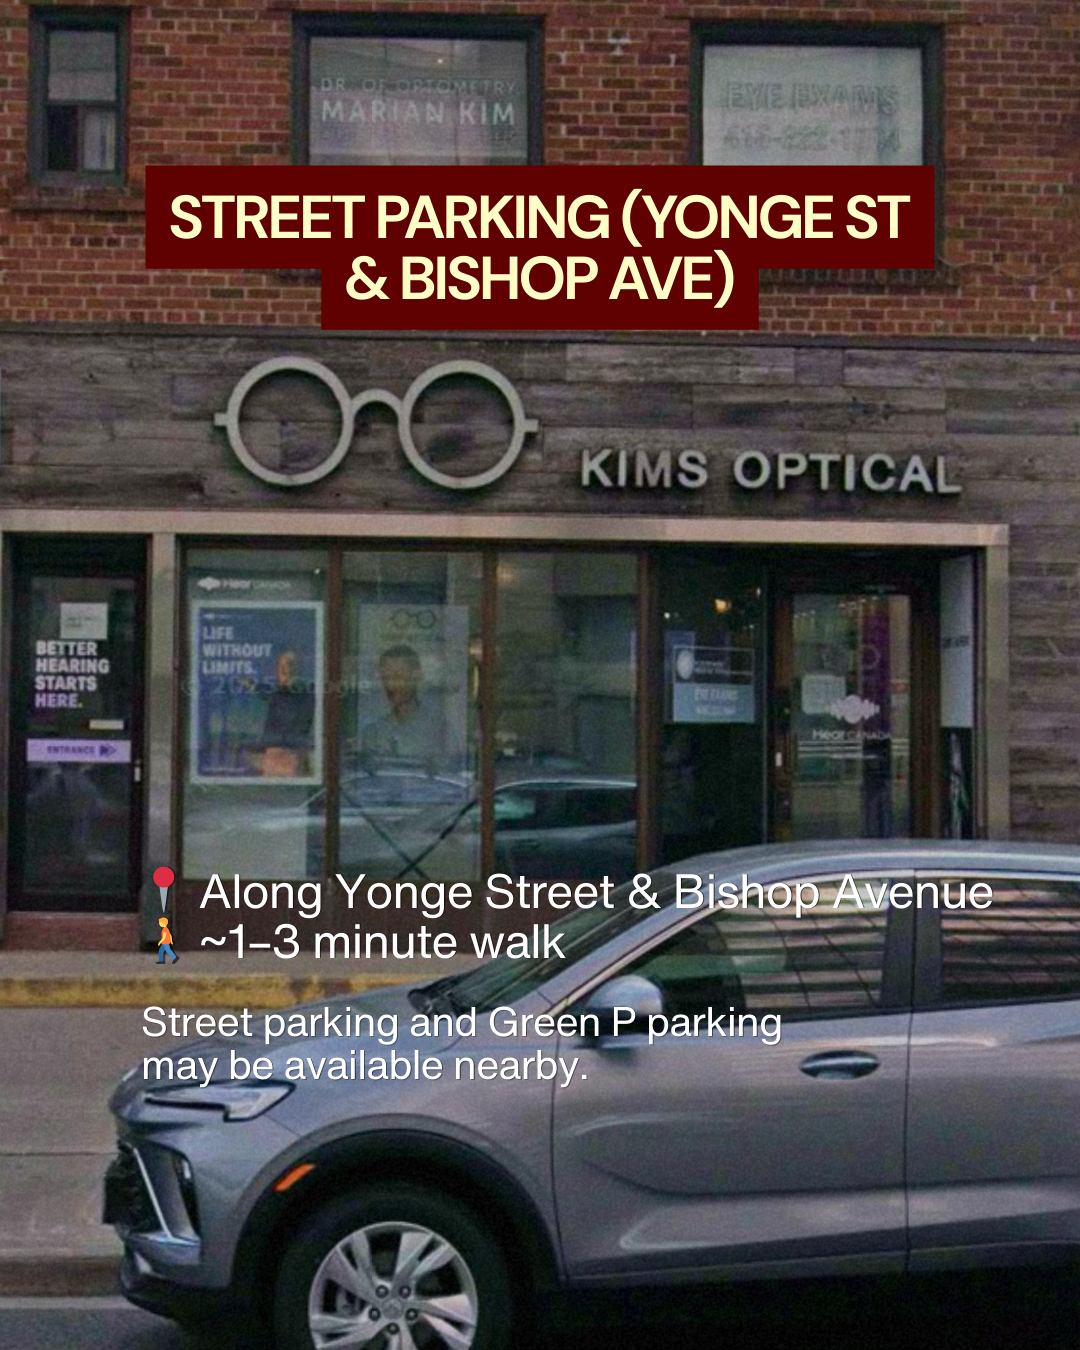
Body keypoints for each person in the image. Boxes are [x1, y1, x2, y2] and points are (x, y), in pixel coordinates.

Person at [257, 650, 316, 777]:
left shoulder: (304, 694)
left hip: (291, 751)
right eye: (280, 666)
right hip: (274, 750)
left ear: (298, 670)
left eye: (289, 665)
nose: (283, 670)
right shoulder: (276, 694)